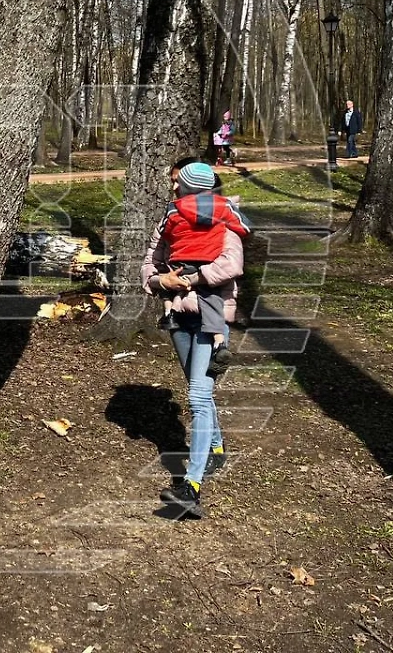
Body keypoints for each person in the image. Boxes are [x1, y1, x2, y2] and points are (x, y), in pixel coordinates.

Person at [142, 159, 248, 519]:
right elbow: (150, 261)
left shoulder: (224, 218)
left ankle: (191, 486)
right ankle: (216, 446)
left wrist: (191, 278)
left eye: (177, 182)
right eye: (172, 182)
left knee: (199, 397)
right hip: (178, 315)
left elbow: (231, 264)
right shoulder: (170, 219)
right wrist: (161, 281)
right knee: (196, 386)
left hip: (210, 319)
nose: (173, 188)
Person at [155, 161, 250, 362]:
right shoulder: (224, 206)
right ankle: (218, 340)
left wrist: (178, 236)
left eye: (178, 183)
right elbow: (244, 226)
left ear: (185, 186)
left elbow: (165, 231)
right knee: (211, 296)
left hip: (180, 260)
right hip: (208, 260)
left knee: (168, 283)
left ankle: (169, 313)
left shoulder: (174, 208)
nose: (174, 187)